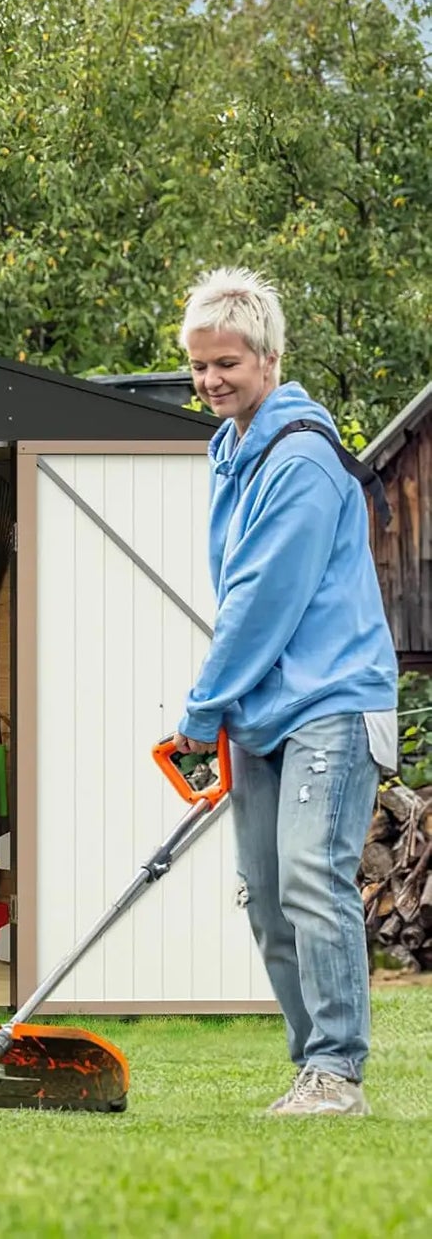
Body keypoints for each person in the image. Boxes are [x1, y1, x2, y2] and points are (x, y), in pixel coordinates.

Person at [171, 266, 398, 1118]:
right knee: (266, 897)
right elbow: (238, 598)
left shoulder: (298, 455)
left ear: (268, 357)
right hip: (264, 708)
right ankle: (312, 1066)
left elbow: (264, 596)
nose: (210, 380)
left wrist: (199, 709)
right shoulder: (231, 449)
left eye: (225, 362)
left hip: (330, 702)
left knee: (310, 877)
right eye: (198, 365)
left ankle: (337, 1070)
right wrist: (226, 708)